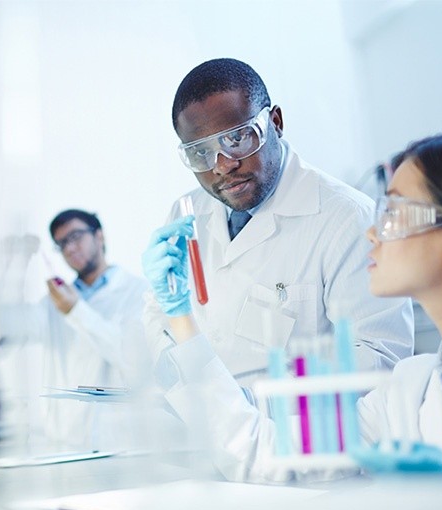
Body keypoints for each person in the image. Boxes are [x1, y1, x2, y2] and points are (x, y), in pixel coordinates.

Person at [143, 131, 442, 487]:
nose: (372, 231)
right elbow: (265, 454)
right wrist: (181, 320)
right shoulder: (409, 391)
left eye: (394, 212)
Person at [143, 58, 414, 390]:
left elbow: (381, 359)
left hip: (299, 435)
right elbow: (160, 318)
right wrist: (180, 387)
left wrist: (257, 407)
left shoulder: (346, 218)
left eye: (238, 137)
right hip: (206, 431)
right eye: (201, 153)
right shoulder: (186, 214)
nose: (224, 165)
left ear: (275, 122)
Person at [0, 209, 149, 450]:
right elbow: (11, 325)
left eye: (76, 236)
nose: (69, 249)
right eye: (61, 243)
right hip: (64, 443)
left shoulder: (137, 293)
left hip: (117, 444)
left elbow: (132, 359)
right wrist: (16, 264)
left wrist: (76, 310)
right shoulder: (53, 303)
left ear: (99, 236)